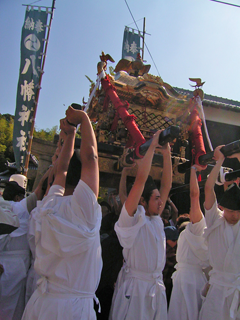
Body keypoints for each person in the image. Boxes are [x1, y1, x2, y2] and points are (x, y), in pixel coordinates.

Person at [22, 106, 102, 320]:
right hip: (72, 310)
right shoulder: (83, 210)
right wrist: (83, 119)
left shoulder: (49, 204)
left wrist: (71, 133)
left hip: (41, 303)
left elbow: (61, 170)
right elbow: (90, 159)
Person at [109, 130, 172, 320]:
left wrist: (167, 153)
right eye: (156, 199)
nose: (161, 202)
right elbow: (140, 182)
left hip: (155, 286)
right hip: (135, 288)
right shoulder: (131, 219)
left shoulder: (156, 220)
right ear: (143, 202)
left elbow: (167, 186)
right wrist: (151, 147)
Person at [199, 147, 240, 320]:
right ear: (223, 208)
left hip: (236, 290)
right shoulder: (216, 220)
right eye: (231, 211)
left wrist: (238, 157)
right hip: (216, 289)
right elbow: (208, 188)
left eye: (238, 211)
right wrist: (220, 160)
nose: (234, 215)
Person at [0, 173, 48, 320]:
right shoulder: (19, 209)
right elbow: (39, 191)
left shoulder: (8, 207)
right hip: (14, 269)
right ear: (17, 197)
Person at [168, 165, 209, 320]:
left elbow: (194, 195)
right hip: (184, 278)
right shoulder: (191, 230)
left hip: (191, 281)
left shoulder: (198, 227)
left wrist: (193, 171)